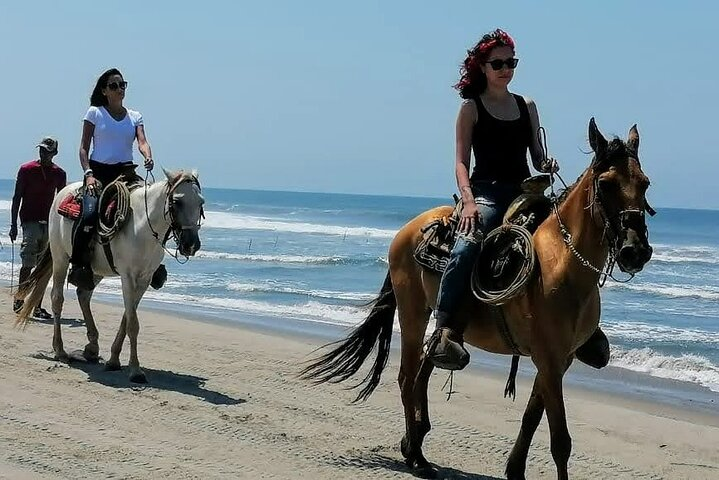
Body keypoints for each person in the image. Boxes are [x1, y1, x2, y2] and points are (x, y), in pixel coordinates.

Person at [427, 29, 559, 370]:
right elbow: (460, 162)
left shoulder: (526, 105)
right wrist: (469, 200)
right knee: (467, 245)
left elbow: (537, 157)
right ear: (482, 67)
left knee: (567, 240)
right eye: (497, 63)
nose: (505, 69)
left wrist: (547, 164)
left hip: (524, 192)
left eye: (510, 62)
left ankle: (580, 327)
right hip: (486, 192)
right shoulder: (471, 108)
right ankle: (443, 329)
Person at [69, 68, 155, 290]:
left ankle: (154, 264)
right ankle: (79, 265)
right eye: (114, 86)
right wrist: (88, 174)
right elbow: (83, 148)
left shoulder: (135, 116)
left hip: (126, 174)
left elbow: (142, 141)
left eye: (122, 85)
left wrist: (147, 155)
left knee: (151, 208)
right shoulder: (95, 113)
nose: (120, 89)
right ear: (105, 91)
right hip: (99, 174)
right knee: (89, 214)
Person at [10, 137, 67, 317]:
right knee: (27, 262)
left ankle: (36, 306)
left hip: (50, 225)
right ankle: (20, 299)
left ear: (54, 153)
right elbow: (17, 197)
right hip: (30, 221)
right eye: (41, 150)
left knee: (43, 267)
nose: (43, 153)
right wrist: (13, 224)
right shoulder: (26, 169)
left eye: (47, 151)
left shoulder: (59, 173)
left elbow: (62, 202)